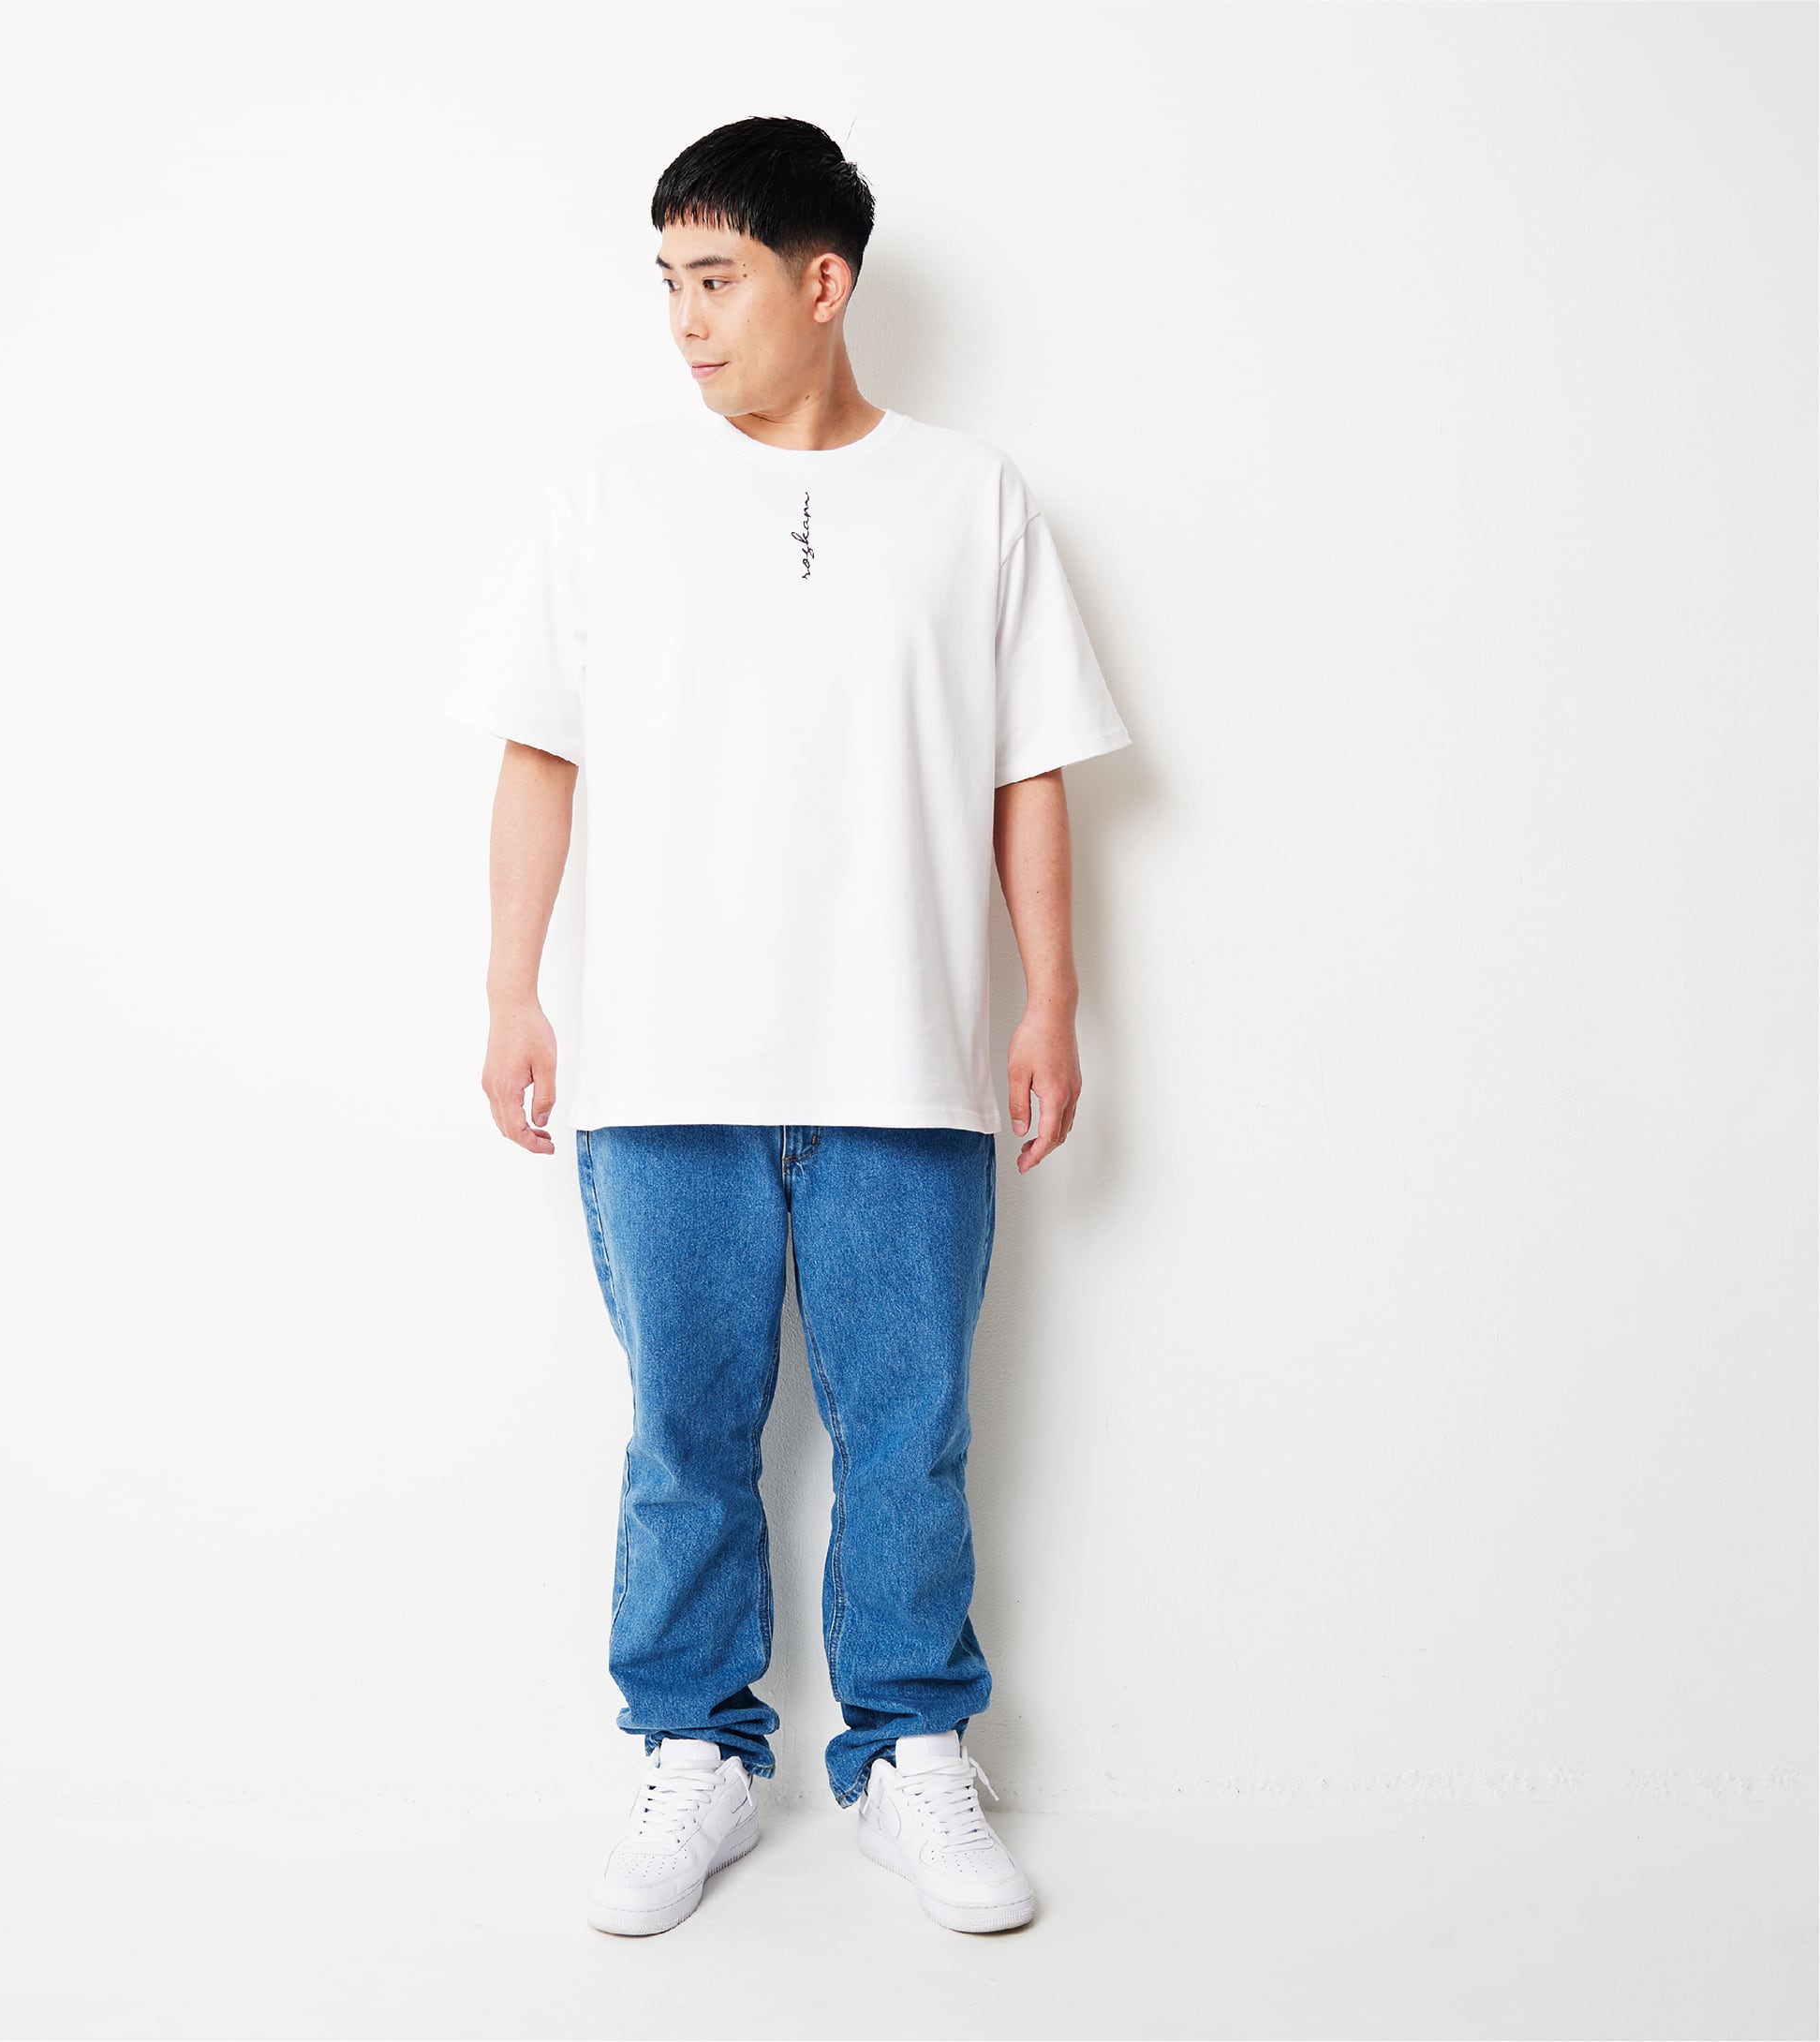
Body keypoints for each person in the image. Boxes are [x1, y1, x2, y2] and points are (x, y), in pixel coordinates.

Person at [444, 115, 1131, 1937]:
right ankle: (697, 1753)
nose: (684, 317)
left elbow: (1030, 768)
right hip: (661, 1052)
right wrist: (512, 987)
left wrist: (1053, 996)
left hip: (907, 1052)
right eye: (666, 281)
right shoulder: (610, 492)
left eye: (718, 278)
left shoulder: (970, 495)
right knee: (686, 1432)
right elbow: (539, 751)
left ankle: (911, 1753)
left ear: (823, 283)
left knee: (908, 1434)